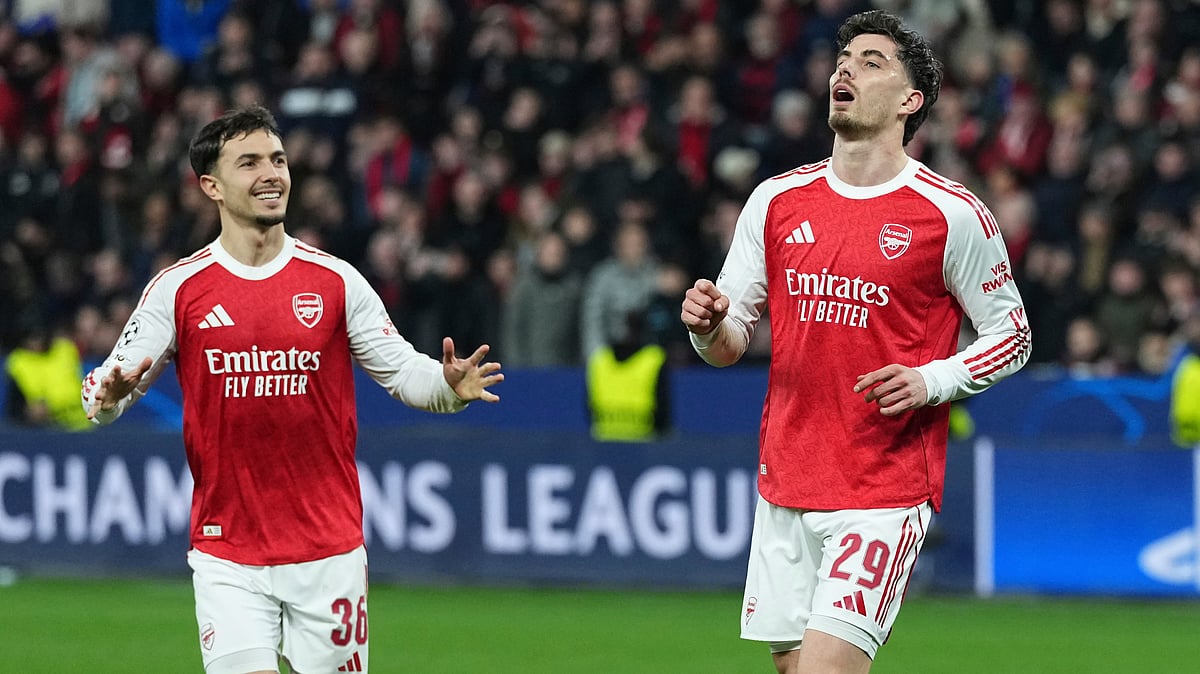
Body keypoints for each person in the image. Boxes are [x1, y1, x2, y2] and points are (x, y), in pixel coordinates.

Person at [80, 105, 503, 674]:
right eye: (249, 162)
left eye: (277, 160)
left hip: (328, 549)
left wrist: (449, 385)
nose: (271, 174)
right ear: (211, 185)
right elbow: (107, 390)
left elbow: (405, 373)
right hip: (227, 549)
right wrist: (106, 398)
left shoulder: (335, 280)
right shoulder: (178, 290)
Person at [679, 11, 1030, 674]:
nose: (845, 68)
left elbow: (1011, 336)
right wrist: (705, 326)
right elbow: (728, 343)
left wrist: (933, 381)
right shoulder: (775, 201)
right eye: (844, 58)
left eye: (871, 62)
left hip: (884, 487)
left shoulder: (950, 213)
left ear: (910, 100)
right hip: (786, 479)